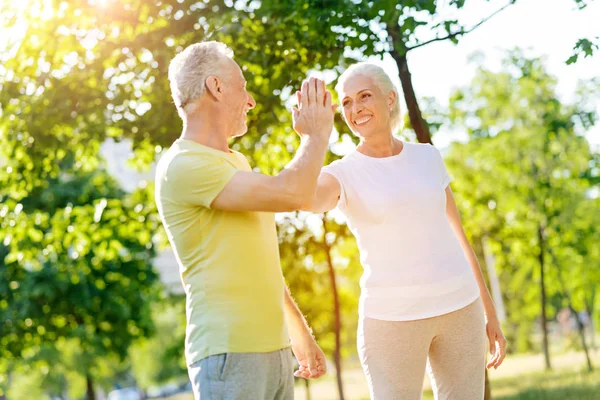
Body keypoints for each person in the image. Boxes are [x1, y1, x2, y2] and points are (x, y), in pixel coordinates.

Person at [301, 62, 506, 400]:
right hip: (391, 321)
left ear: (390, 99)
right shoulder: (342, 173)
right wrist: (313, 138)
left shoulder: (428, 157)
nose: (356, 108)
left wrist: (490, 312)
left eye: (365, 96)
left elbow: (458, 235)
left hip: (460, 309)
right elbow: (304, 198)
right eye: (347, 102)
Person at [155, 41, 336, 400]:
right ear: (215, 87)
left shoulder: (236, 163)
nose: (251, 100)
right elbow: (292, 193)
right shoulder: (184, 166)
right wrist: (316, 136)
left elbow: (257, 258)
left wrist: (298, 331)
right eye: (242, 86)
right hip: (229, 353)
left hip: (272, 349)